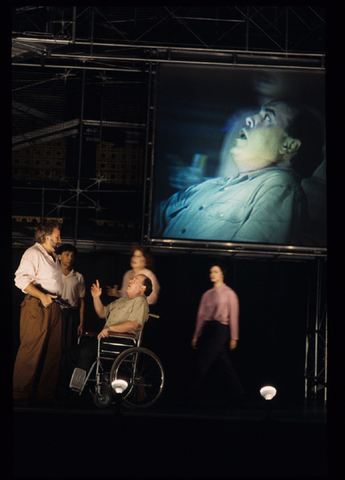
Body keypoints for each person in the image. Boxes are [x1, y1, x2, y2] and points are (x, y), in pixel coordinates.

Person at [154, 99, 324, 245]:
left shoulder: (279, 187)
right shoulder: (214, 185)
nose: (250, 119)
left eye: (267, 118)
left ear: (288, 145)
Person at [62, 274, 152, 395]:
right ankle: (70, 388)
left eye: (135, 280)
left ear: (143, 287)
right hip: (107, 340)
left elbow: (133, 324)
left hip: (122, 342)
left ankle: (75, 391)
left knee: (86, 351)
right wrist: (96, 298)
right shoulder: (123, 300)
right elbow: (102, 313)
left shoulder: (140, 300)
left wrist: (110, 328)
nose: (131, 280)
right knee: (72, 353)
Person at [13, 220, 63, 405]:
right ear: (47, 237)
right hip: (37, 305)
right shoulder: (33, 253)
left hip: (54, 306)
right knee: (31, 349)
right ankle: (18, 394)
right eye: (57, 236)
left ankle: (45, 395)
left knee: (53, 353)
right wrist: (42, 295)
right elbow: (20, 280)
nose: (60, 239)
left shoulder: (54, 256)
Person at [185, 264, 245, 405]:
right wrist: (196, 335)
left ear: (222, 274)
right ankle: (241, 393)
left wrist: (234, 337)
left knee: (204, 362)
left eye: (216, 272)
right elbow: (201, 316)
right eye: (211, 271)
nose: (212, 274)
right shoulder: (207, 294)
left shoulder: (229, 293)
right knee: (225, 364)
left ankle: (188, 394)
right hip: (208, 329)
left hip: (221, 330)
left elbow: (234, 316)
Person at [57, 244, 86, 347]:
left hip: (71, 314)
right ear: (59, 256)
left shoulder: (78, 277)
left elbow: (81, 301)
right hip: (57, 313)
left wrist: (81, 323)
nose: (70, 258)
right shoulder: (53, 274)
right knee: (55, 344)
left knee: (69, 344)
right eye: (67, 255)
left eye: (72, 256)